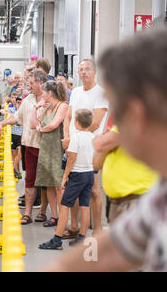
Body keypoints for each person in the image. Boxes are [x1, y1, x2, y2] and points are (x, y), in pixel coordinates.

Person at [43, 28, 167, 272]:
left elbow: (100, 142)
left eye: (116, 108)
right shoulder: (159, 199)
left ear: (135, 113)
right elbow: (113, 248)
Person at [62, 59, 109, 238]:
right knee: (72, 187)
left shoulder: (101, 94)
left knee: (94, 190)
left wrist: (76, 142)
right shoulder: (75, 92)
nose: (83, 72)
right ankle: (74, 226)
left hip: (91, 150)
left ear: (94, 71)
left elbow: (95, 123)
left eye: (87, 69)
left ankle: (97, 229)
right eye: (80, 69)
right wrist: (67, 137)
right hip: (73, 148)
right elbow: (68, 116)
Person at [0, 69, 48, 224]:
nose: (28, 85)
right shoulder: (27, 100)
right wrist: (3, 123)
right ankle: (27, 213)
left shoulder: (49, 99)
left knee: (46, 183)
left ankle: (43, 211)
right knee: (30, 179)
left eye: (31, 83)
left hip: (45, 147)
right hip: (29, 144)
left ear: (40, 83)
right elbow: (18, 117)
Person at [39, 109, 95, 250]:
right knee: (85, 205)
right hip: (89, 174)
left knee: (64, 205)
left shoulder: (75, 137)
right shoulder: (93, 137)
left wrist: (64, 177)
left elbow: (71, 158)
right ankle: (82, 237)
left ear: (76, 122)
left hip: (77, 175)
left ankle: (57, 239)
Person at [93, 125, 157, 223]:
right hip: (117, 202)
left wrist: (101, 139)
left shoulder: (135, 126)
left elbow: (99, 144)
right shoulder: (119, 128)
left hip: (136, 200)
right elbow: (95, 164)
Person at [31, 81, 69, 227]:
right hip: (46, 150)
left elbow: (53, 125)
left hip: (57, 151)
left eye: (44, 93)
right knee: (49, 186)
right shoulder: (47, 107)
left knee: (59, 186)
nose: (42, 96)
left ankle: (63, 217)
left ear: (50, 94)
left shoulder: (63, 106)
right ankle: (54, 216)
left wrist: (41, 129)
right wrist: (36, 108)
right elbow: (33, 124)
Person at [8, 92, 23, 180]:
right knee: (14, 153)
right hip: (13, 134)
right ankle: (17, 171)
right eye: (17, 102)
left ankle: (13, 168)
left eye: (20, 103)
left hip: (21, 135)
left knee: (20, 153)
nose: (18, 104)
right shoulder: (12, 110)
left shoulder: (23, 112)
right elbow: (5, 112)